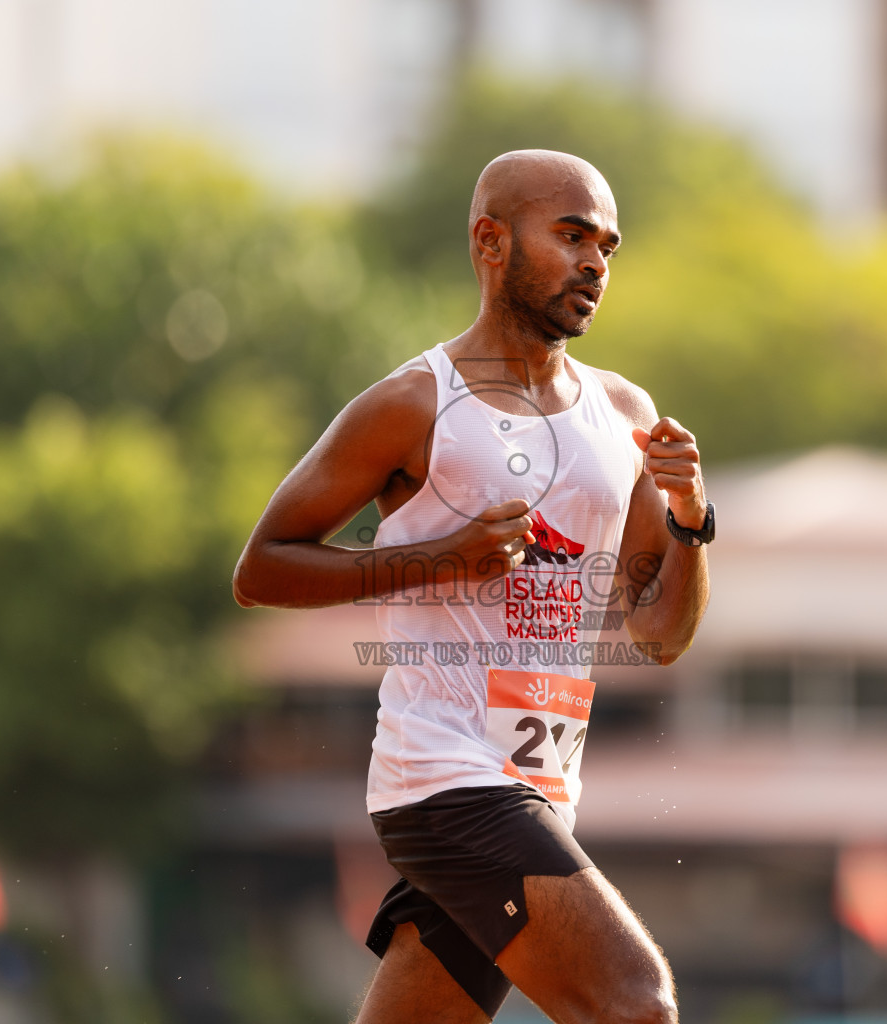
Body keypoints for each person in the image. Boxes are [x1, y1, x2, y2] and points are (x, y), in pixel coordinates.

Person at [233, 149, 712, 1024]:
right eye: (571, 237)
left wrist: (688, 514)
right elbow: (261, 568)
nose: (595, 264)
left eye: (607, 245)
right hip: (446, 779)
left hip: (542, 786)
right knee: (636, 1005)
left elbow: (662, 633)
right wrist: (437, 557)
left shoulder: (627, 417)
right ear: (491, 241)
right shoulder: (416, 403)